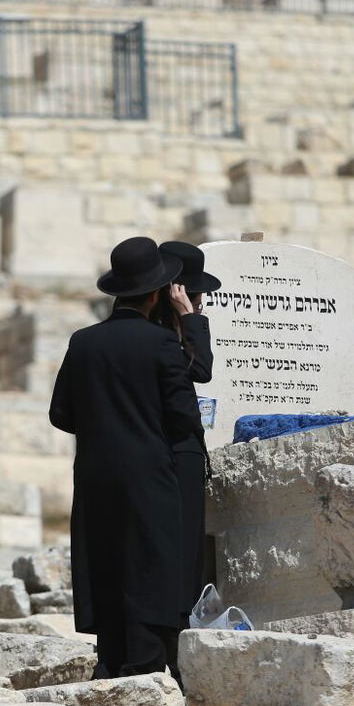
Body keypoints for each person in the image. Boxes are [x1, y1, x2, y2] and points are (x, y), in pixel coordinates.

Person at [49, 236, 202, 680]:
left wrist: (104, 428)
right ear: (156, 293)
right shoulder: (159, 345)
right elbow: (184, 419)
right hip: (150, 474)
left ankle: (109, 662)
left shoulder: (83, 342)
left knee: (107, 560)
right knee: (148, 563)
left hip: (96, 474)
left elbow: (61, 414)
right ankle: (145, 667)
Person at [153, 240, 221, 615]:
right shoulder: (162, 337)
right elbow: (201, 369)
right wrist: (190, 317)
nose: (201, 304)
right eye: (197, 296)